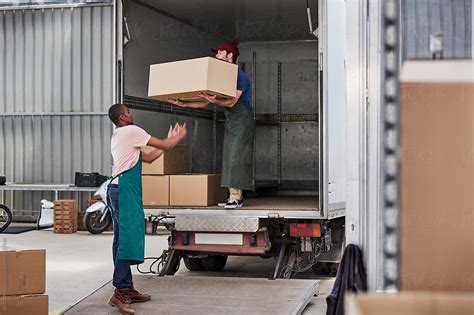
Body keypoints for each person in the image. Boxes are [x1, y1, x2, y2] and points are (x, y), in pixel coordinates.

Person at [106, 104, 187, 314]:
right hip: (123, 190)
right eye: (129, 112)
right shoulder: (132, 131)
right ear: (123, 116)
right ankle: (120, 293)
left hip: (119, 189)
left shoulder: (121, 135)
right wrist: (176, 137)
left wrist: (168, 143)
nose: (132, 114)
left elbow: (149, 157)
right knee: (127, 241)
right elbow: (165, 145)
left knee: (122, 240)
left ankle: (126, 287)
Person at [168, 41, 254, 209]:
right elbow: (205, 103)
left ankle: (236, 197)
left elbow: (231, 102)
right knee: (229, 156)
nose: (216, 56)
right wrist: (185, 104)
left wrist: (215, 100)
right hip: (232, 121)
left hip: (243, 120)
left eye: (220, 53)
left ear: (230, 56)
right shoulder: (220, 77)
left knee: (237, 156)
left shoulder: (240, 75)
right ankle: (234, 197)